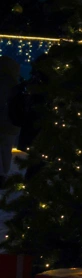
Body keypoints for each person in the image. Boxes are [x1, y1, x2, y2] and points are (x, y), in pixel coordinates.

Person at [0, 56, 21, 186]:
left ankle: (2, 175)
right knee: (6, 150)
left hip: (3, 123)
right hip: (12, 124)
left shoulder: (3, 82)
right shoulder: (14, 83)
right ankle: (3, 175)